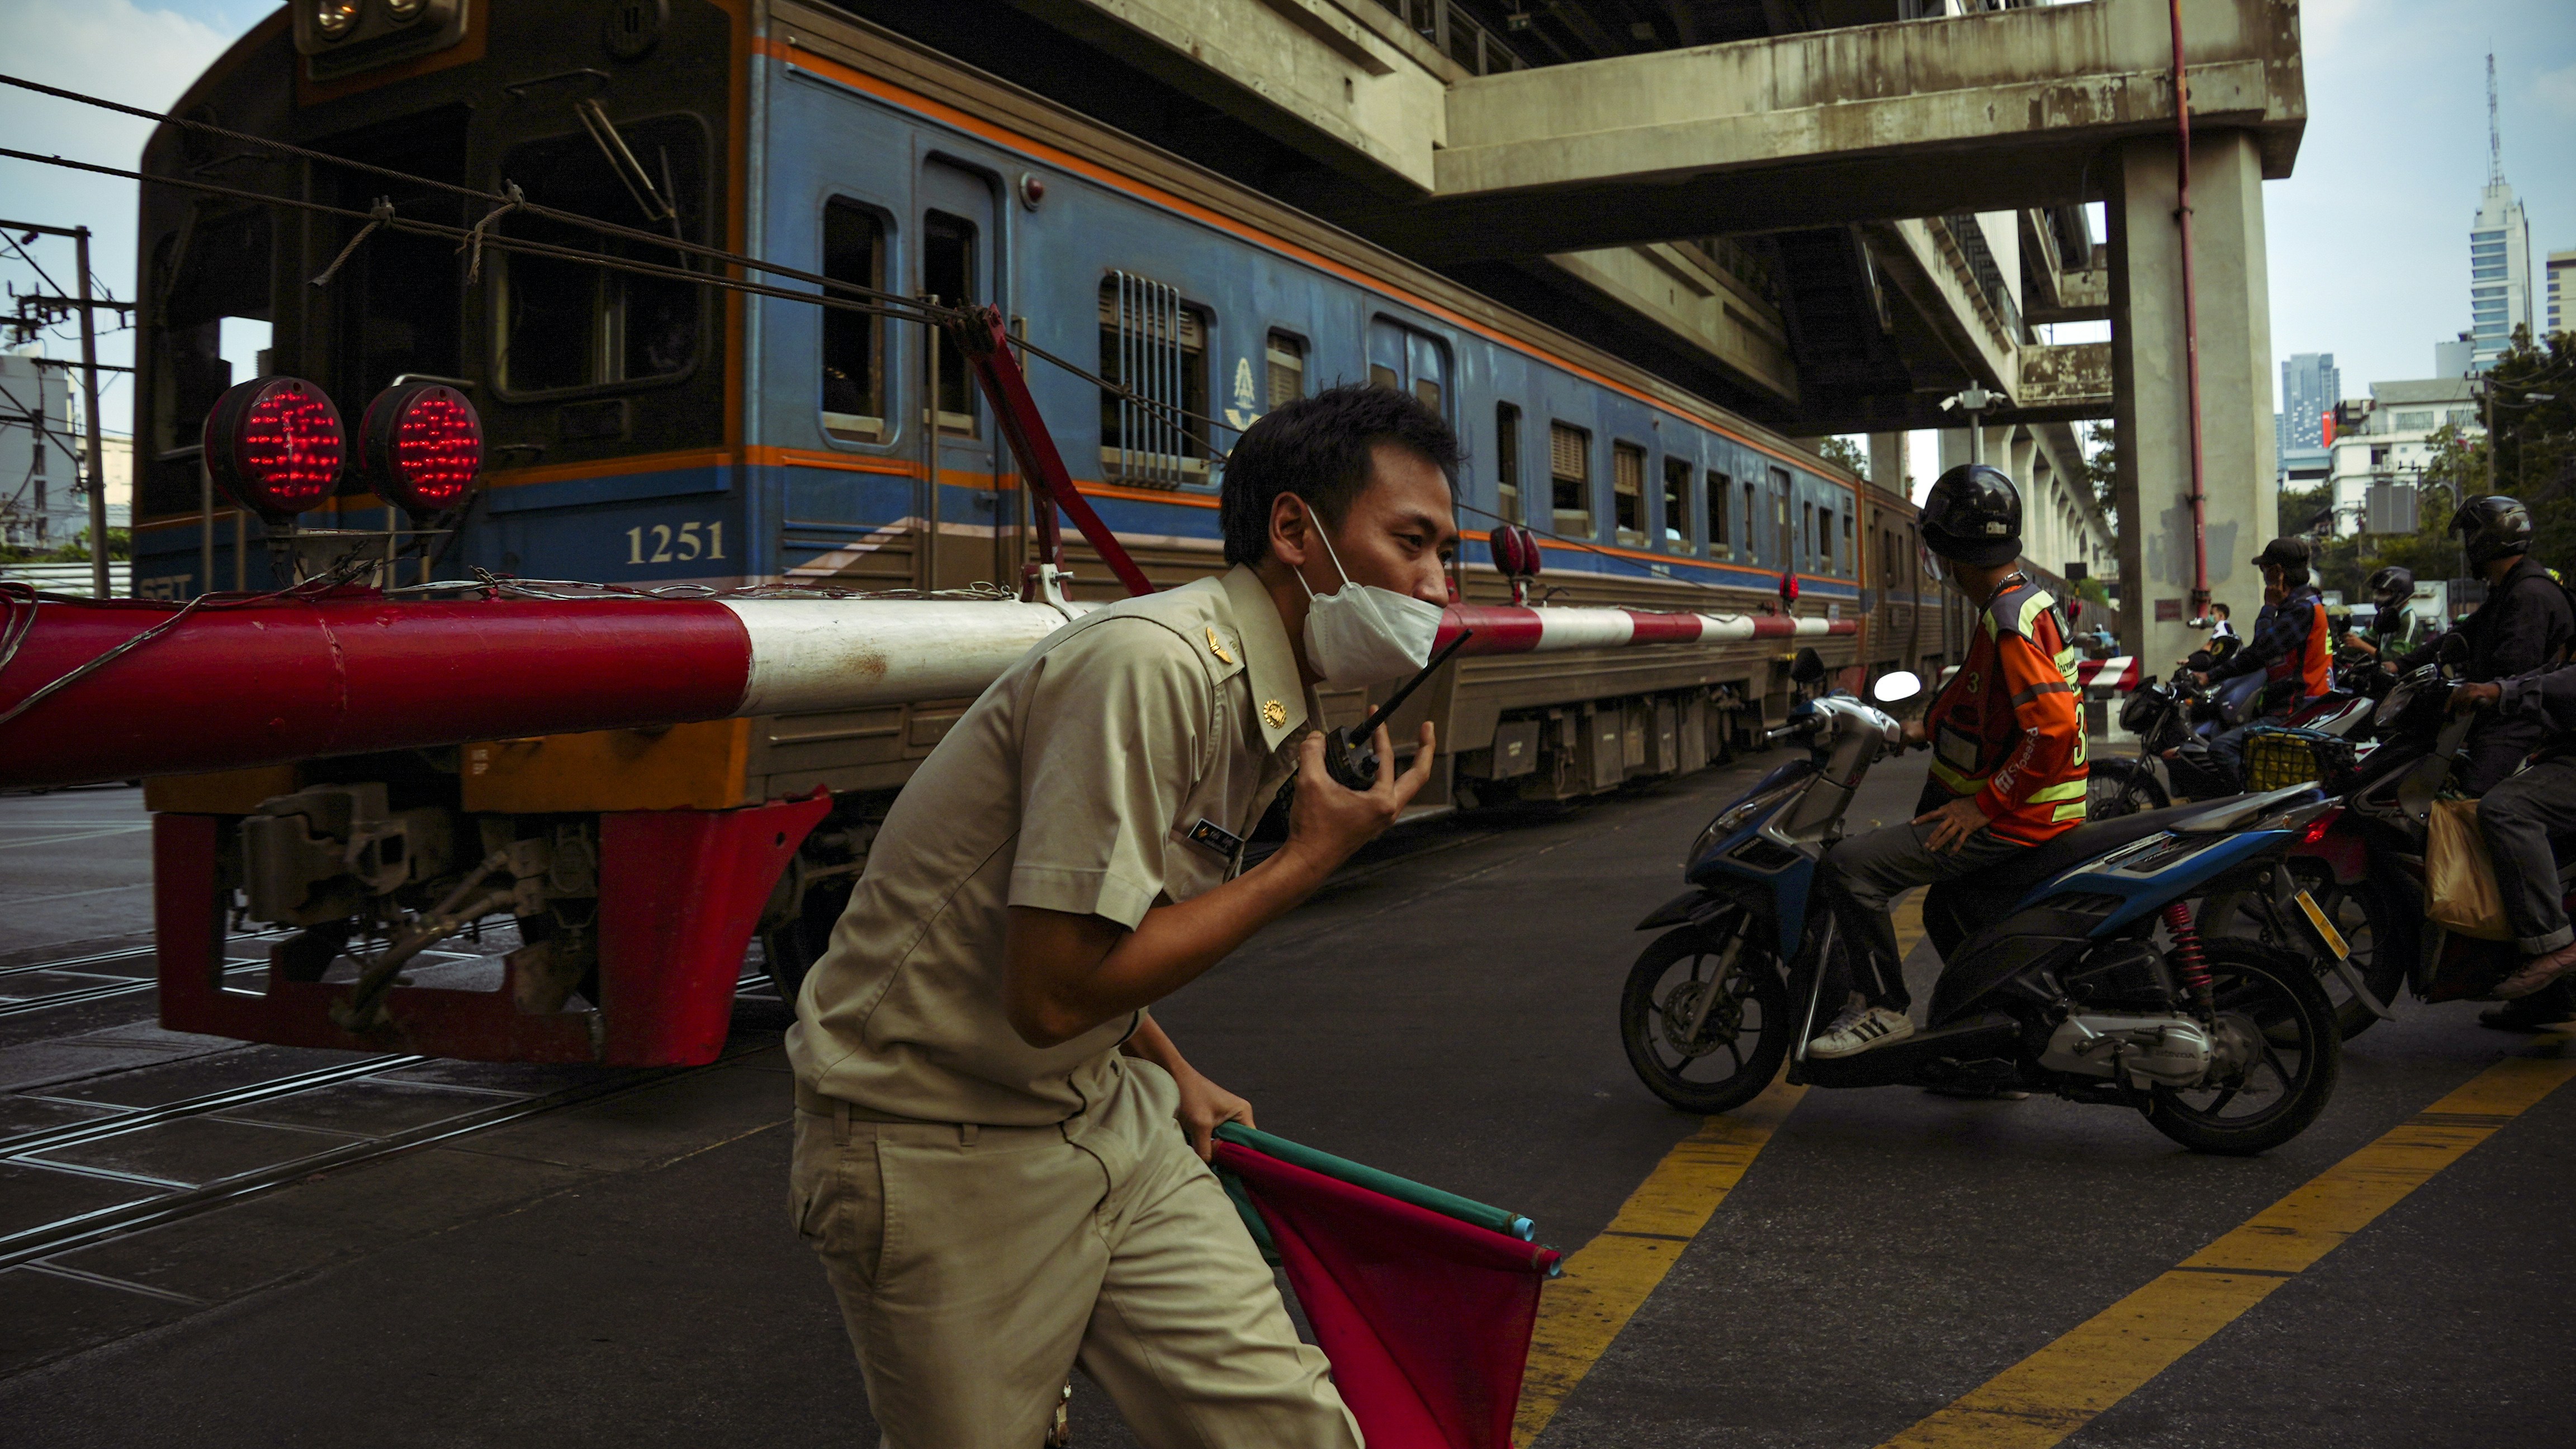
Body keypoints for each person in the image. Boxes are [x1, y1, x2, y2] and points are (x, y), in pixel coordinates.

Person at [785, 385, 1459, 1447]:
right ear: (1294, 531)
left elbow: (1096, 932)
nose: (1434, 586)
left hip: (1104, 1114)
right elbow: (1051, 992)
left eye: (1443, 554)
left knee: (1289, 1430)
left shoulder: (1263, 692)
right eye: (1410, 543)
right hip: (936, 1146)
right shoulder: (1150, 668)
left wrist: (1170, 1067)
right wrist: (1306, 860)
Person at [1808, 464, 2089, 1058]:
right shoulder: (2029, 602)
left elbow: (2053, 727)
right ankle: (1990, 1048)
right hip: (2045, 809)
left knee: (1850, 867)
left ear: (1953, 551)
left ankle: (1884, 1010)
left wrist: (1981, 807)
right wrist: (1919, 730)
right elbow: (1984, 698)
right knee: (1948, 909)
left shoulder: (2006, 620)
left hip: (2018, 818)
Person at [2394, 496, 2575, 795]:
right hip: (2506, 716)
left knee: (2473, 800)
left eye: (2470, 537)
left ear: (2485, 541)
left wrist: (2475, 692)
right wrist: (2400, 665)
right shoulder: (2511, 589)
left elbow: (2512, 675)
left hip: (2521, 728)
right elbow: (2465, 633)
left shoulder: (2528, 595)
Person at [2450, 661, 2576, 1024]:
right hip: (2555, 748)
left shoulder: (2533, 601)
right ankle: (2550, 995)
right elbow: (2548, 672)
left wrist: (2499, 691)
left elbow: (2562, 681)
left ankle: (2553, 943)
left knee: (2506, 810)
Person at [2199, 538, 2332, 783]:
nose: (2263, 575)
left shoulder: (2300, 609)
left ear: (2277, 572)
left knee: (2222, 748)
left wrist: (2269, 607)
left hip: (2295, 709)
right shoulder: (2304, 604)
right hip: (2296, 704)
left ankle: (2251, 807)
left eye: (2264, 569)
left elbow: (2260, 651)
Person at [2342, 565, 2430, 669]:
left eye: (2384, 593)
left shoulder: (2408, 620)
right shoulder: (2387, 616)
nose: (2379, 597)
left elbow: (2397, 660)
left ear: (2400, 593)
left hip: (2404, 680)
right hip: (2384, 675)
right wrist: (2347, 642)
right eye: (2378, 593)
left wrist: (2362, 645)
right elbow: (2367, 638)